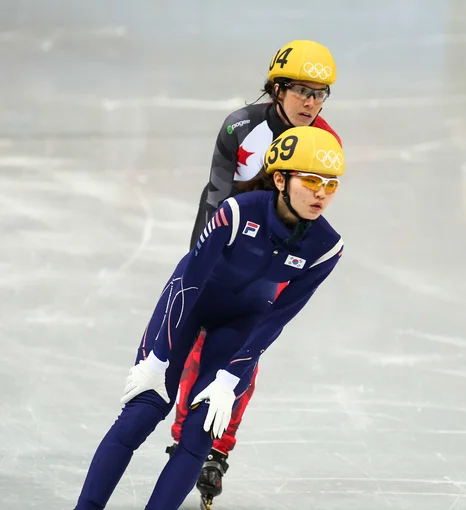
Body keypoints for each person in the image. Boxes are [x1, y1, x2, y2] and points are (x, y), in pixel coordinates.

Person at [74, 125, 346, 510]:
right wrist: (158, 356)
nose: (321, 193)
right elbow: (189, 282)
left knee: (201, 433)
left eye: (331, 184)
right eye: (312, 179)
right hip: (190, 305)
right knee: (143, 411)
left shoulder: (326, 247)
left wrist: (232, 376)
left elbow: (275, 319)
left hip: (242, 322)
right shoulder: (236, 212)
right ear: (281, 178)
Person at [167, 39, 341, 507]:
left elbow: (312, 214)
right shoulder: (239, 128)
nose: (312, 102)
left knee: (244, 351)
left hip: (274, 261)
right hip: (226, 247)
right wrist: (197, 262)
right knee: (196, 347)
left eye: (321, 93)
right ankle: (187, 433)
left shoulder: (324, 145)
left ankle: (217, 447)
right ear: (277, 88)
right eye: (303, 90)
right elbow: (214, 196)